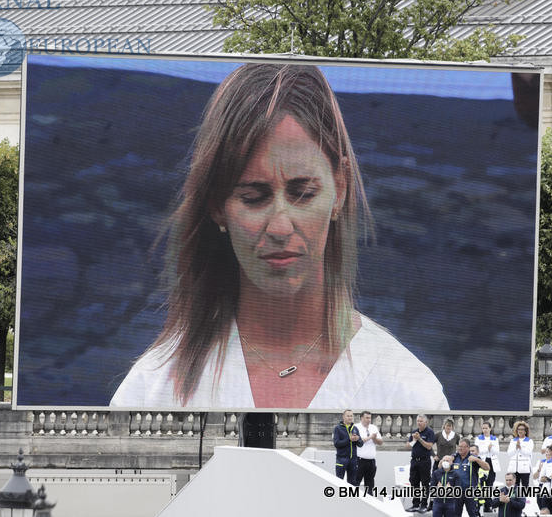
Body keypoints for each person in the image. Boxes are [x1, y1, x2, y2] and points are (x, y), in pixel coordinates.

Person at [110, 63, 450, 410]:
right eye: (253, 197)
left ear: (341, 187)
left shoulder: (407, 393)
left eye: (302, 193)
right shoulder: (152, 391)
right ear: (216, 205)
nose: (280, 227)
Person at [452, 438, 490, 517]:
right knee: (455, 514)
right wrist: (445, 460)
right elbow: (441, 466)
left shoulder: (473, 457)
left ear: (468, 448)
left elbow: (487, 467)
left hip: (470, 492)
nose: (460, 448)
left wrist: (477, 459)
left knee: (473, 514)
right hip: (457, 492)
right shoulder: (455, 456)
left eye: (462, 446)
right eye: (459, 446)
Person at [406, 414, 436, 512]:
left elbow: (429, 446)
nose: (419, 423)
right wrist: (414, 440)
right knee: (414, 482)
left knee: (425, 483)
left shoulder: (430, 432)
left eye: (421, 421)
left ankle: (423, 505)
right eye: (418, 421)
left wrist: (420, 439)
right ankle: (415, 504)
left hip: (424, 461)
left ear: (426, 422)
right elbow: (408, 446)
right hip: (414, 461)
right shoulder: (414, 432)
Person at [355, 410, 382, 495]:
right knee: (356, 482)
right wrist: (370, 437)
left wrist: (374, 438)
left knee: (370, 484)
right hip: (359, 460)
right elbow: (359, 441)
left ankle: (370, 500)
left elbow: (380, 442)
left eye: (370, 418)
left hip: (371, 461)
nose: (369, 420)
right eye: (367, 418)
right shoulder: (356, 427)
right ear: (361, 418)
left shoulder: (373, 427)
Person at [333, 409, 362, 484]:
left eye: (351, 416)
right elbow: (337, 444)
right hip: (341, 459)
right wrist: (349, 439)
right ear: (343, 417)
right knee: (338, 482)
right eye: (348, 416)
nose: (350, 418)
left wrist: (358, 439)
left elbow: (361, 444)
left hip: (353, 460)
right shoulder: (338, 428)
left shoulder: (355, 428)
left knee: (352, 483)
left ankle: (351, 496)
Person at [477, 421, 500, 511]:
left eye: (486, 428)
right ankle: (479, 503)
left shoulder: (495, 439)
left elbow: (497, 452)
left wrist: (492, 448)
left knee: (490, 484)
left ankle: (488, 505)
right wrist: (487, 448)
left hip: (492, 462)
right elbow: (478, 450)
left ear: (490, 428)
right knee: (481, 484)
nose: (485, 430)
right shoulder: (479, 438)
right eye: (483, 428)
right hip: (483, 462)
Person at [507, 421, 533, 487]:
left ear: (525, 431)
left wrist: (520, 448)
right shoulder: (513, 441)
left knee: (525, 487)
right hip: (513, 468)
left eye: (522, 429)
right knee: (514, 487)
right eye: (519, 429)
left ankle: (524, 497)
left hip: (525, 468)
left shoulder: (529, 441)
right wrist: (516, 448)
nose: (520, 431)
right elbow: (509, 453)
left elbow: (528, 453)